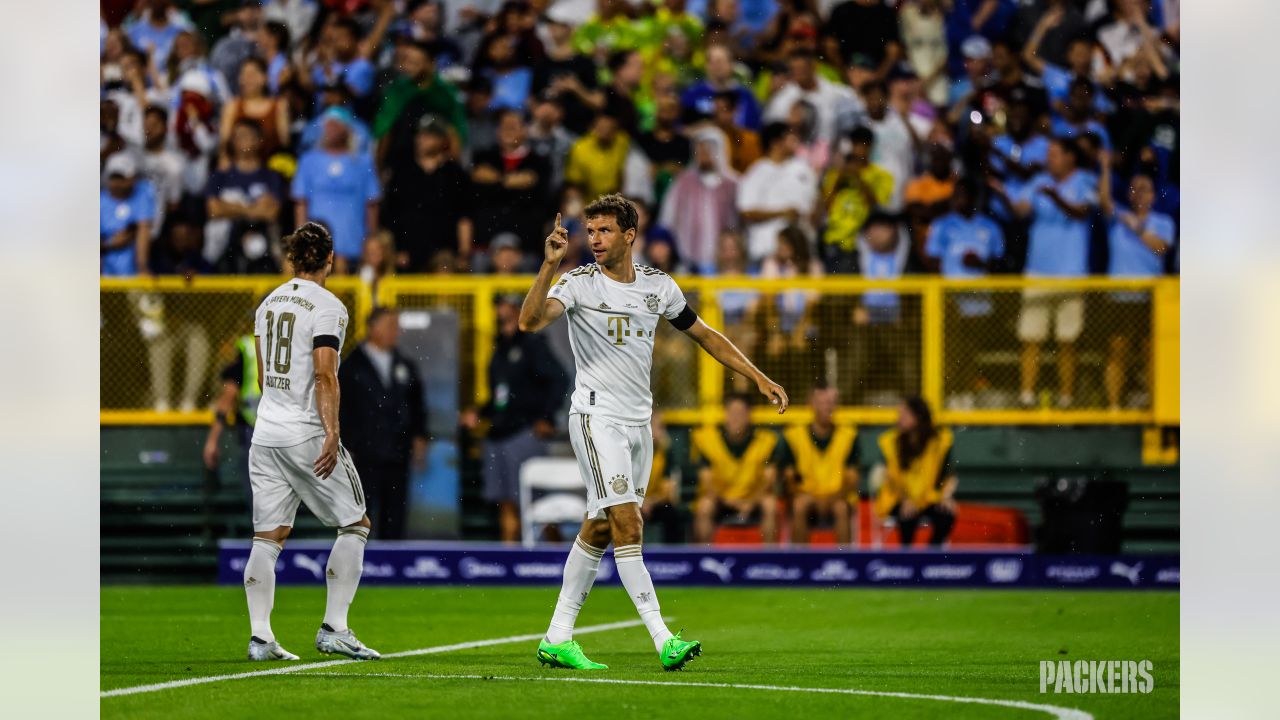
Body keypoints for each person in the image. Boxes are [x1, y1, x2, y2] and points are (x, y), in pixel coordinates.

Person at [519, 194, 788, 671]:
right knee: (629, 523)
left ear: (629, 235)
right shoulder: (577, 282)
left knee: (602, 526)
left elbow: (706, 335)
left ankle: (557, 637)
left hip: (638, 424)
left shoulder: (658, 287)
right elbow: (529, 321)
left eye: (604, 231)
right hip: (595, 418)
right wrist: (548, 265)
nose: (595, 240)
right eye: (590, 231)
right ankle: (663, 638)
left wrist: (758, 377)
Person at [242, 222, 378, 662]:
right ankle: (335, 627)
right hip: (305, 431)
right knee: (355, 524)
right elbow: (325, 371)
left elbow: (264, 376)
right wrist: (332, 432)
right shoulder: (328, 307)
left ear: (291, 259)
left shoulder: (268, 303)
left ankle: (261, 637)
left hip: (265, 431)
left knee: (268, 537)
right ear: (331, 259)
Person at [989, 137, 1096, 408]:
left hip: (1071, 273)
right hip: (1037, 271)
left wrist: (1056, 197)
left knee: (1067, 340)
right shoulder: (1038, 182)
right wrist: (1002, 193)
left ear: (1071, 157)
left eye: (1055, 153)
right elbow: (1020, 210)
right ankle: (1026, 396)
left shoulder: (1085, 180)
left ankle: (1066, 398)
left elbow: (1082, 212)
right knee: (1030, 337)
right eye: (1049, 154)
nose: (1050, 159)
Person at [461, 295, 569, 543]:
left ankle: (562, 557)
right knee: (506, 503)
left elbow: (559, 378)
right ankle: (510, 559)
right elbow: (502, 396)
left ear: (519, 310)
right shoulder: (500, 348)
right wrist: (480, 412)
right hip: (499, 433)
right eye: (500, 307)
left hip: (524, 432)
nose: (503, 312)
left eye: (508, 307)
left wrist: (547, 418)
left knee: (538, 505)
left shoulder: (532, 344)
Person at [338, 308, 430, 541]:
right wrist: (345, 444)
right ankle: (359, 561)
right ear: (373, 328)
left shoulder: (404, 364)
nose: (395, 332)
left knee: (395, 511)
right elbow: (342, 408)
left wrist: (420, 436)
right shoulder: (351, 365)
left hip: (397, 449)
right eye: (390, 326)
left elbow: (416, 403)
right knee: (361, 511)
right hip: (364, 451)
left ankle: (393, 561)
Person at [1099, 154, 1175, 410]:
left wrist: (1138, 228)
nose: (1139, 193)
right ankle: (1113, 407)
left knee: (1150, 353)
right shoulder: (1118, 218)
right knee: (1116, 351)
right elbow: (1105, 201)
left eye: (1145, 189)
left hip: (1148, 297)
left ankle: (1156, 405)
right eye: (1135, 188)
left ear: (1153, 195)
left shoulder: (1163, 222)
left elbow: (1161, 248)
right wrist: (1105, 168)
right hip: (1120, 297)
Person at [292, 108, 382, 273]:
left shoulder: (363, 162)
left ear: (347, 128)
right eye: (328, 124)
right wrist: (301, 240)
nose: (330, 128)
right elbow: (301, 203)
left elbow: (372, 204)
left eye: (336, 124)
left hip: (354, 246)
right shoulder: (308, 160)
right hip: (317, 247)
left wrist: (371, 238)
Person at [382, 115, 473, 272]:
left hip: (445, 256)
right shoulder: (402, 172)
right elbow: (390, 214)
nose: (420, 139)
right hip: (408, 257)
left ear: (442, 140)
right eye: (419, 134)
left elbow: (464, 217)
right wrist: (396, 251)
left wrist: (463, 254)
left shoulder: (454, 174)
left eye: (427, 135)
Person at [775, 382, 859, 546]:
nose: (826, 407)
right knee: (799, 505)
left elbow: (852, 479)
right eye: (821, 402)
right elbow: (789, 478)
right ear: (810, 404)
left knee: (841, 508)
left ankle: (845, 565)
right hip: (805, 497)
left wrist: (831, 498)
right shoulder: (794, 435)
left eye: (830, 402)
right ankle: (800, 563)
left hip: (837, 497)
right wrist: (809, 496)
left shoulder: (848, 435)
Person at [692, 394, 780, 544]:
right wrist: (727, 501)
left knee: (770, 505)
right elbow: (707, 483)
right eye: (731, 413)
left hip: (753, 501)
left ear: (749, 416)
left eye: (740, 413)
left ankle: (770, 562)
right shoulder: (707, 440)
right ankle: (703, 559)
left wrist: (750, 503)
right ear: (725, 414)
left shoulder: (767, 441)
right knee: (704, 507)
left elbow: (768, 482)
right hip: (721, 501)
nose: (735, 418)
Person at [873, 396, 957, 547]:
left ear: (918, 417)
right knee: (907, 515)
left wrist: (946, 496)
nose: (899, 418)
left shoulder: (940, 441)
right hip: (898, 499)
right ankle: (907, 561)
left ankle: (931, 558)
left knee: (947, 515)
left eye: (904, 414)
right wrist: (905, 499)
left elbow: (949, 474)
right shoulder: (890, 441)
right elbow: (887, 477)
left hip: (928, 498)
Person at [658, 128, 740, 275]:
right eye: (699, 149)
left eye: (708, 149)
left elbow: (738, 224)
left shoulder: (732, 184)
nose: (702, 154)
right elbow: (667, 219)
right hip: (688, 263)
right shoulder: (683, 182)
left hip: (725, 266)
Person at [737, 122, 817, 265]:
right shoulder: (756, 172)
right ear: (775, 142)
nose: (794, 141)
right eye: (788, 137)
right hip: (766, 250)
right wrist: (782, 213)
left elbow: (815, 204)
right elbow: (745, 212)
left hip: (801, 253)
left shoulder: (803, 168)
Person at [204, 332, 261, 494]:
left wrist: (212, 439)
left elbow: (229, 394)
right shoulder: (295, 340)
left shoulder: (248, 346)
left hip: (255, 430)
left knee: (259, 499)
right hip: (291, 428)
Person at [101, 153, 156, 276]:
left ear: (132, 178)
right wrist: (109, 244)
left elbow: (143, 229)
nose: (118, 183)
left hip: (134, 274)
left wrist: (142, 267)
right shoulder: (99, 201)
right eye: (114, 178)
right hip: (104, 275)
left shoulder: (143, 193)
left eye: (122, 178)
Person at [564, 113, 630, 200]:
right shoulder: (580, 148)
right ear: (593, 128)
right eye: (601, 127)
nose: (605, 131)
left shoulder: (622, 141)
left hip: (614, 199)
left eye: (610, 129)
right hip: (588, 201)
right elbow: (574, 184)